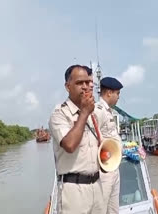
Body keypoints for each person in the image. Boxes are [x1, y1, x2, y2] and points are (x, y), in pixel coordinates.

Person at [48, 64, 104, 214]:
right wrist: (84, 113)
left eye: (87, 82)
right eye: (79, 83)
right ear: (68, 86)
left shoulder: (93, 113)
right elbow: (70, 145)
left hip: (97, 187)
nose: (85, 87)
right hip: (73, 191)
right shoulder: (59, 114)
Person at [94, 77, 123, 214]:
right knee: (101, 208)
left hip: (113, 167)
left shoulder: (108, 111)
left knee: (113, 209)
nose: (118, 97)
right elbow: (91, 139)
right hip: (104, 170)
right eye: (117, 94)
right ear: (109, 93)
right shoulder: (98, 110)